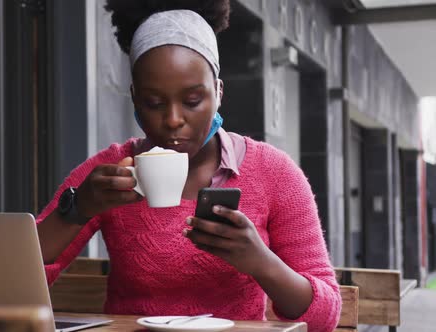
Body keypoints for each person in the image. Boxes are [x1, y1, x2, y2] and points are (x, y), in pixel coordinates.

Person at [36, 1, 341, 331]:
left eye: (193, 100)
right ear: (135, 99)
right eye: (154, 103)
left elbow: (325, 318)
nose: (173, 120)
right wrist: (77, 209)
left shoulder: (274, 173)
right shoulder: (111, 172)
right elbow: (15, 278)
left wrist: (261, 263)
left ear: (218, 93)